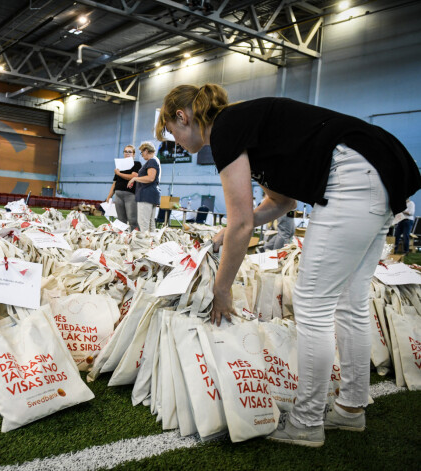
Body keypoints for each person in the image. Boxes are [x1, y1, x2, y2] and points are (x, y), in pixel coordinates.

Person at [156, 83, 421, 447]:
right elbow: (280, 203)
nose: (173, 139)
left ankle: (307, 421)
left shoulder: (226, 127)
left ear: (182, 117)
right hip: (380, 170)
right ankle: (351, 409)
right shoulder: (247, 125)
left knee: (313, 305)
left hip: (354, 176)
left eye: (170, 131)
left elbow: (243, 223)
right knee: (351, 304)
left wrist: (221, 289)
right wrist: (226, 233)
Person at [128, 142, 161, 232]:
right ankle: (152, 243)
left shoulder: (151, 161)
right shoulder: (153, 161)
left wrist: (135, 178)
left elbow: (150, 178)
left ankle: (144, 243)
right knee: (150, 223)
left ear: (146, 151)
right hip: (150, 195)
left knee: (143, 222)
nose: (142, 155)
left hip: (146, 195)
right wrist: (138, 176)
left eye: (142, 152)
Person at [106, 145, 141, 230]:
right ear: (123, 153)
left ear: (134, 154)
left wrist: (119, 173)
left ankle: (135, 237)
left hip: (130, 195)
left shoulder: (136, 164)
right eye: (126, 151)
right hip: (118, 194)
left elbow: (132, 177)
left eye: (130, 152)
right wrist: (109, 196)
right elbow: (115, 183)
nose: (127, 153)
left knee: (132, 219)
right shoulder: (119, 166)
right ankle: (122, 238)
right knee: (121, 219)